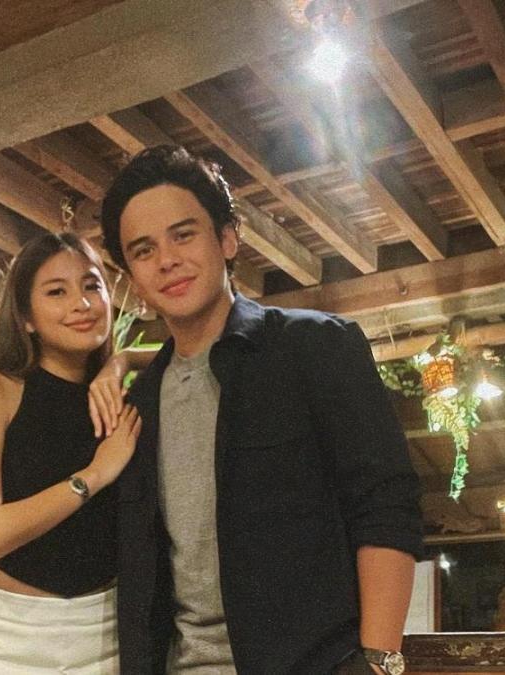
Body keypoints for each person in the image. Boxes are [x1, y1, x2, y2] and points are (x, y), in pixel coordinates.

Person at [99, 146, 424, 675]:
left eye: (183, 235)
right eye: (143, 249)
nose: (166, 260)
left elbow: (386, 505)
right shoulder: (139, 404)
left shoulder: (315, 348)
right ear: (133, 277)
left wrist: (377, 661)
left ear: (228, 238)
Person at [0, 232, 141, 674]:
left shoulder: (120, 399)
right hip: (6, 639)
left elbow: (191, 350)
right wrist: (94, 475)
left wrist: (123, 360)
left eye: (92, 286)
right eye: (57, 292)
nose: (82, 303)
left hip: (104, 635)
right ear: (26, 317)